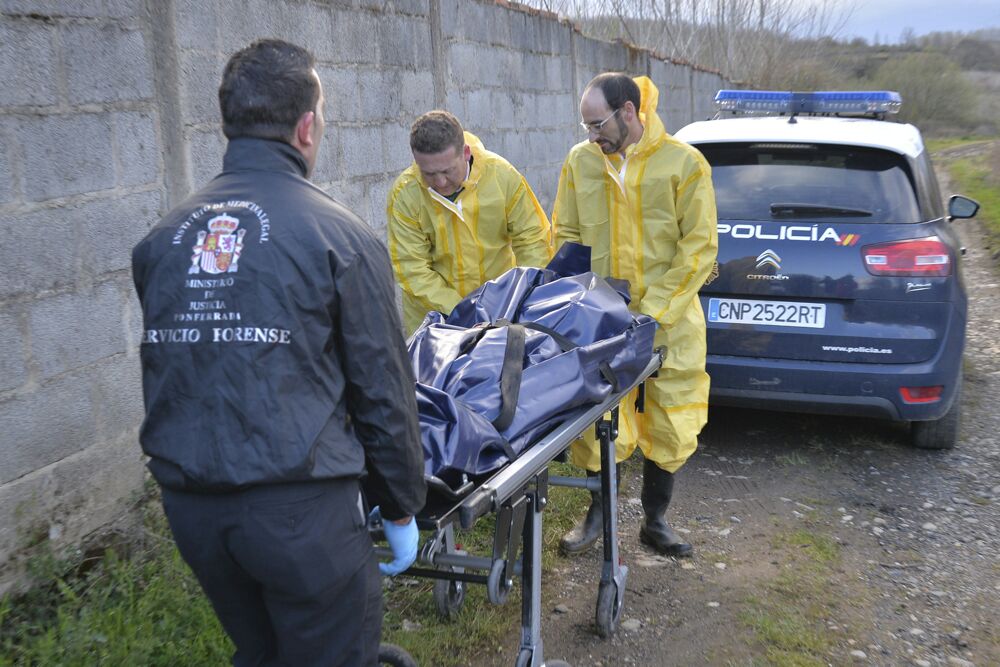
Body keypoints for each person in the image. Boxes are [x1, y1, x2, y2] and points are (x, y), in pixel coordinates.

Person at [131, 39, 426, 666]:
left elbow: (178, 369)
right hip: (299, 517)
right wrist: (400, 504)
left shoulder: (161, 240)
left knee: (261, 653)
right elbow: (382, 390)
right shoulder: (340, 237)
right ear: (306, 126)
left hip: (194, 514)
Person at [552, 73, 718, 558]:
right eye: (585, 126)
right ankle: (596, 519)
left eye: (598, 124)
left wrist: (651, 311)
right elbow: (567, 233)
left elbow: (699, 248)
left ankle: (656, 521)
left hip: (670, 323)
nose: (591, 136)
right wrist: (573, 302)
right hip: (602, 323)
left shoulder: (684, 165)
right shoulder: (582, 163)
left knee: (670, 418)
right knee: (599, 416)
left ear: (629, 112)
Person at [387, 110, 552, 333]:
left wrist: (522, 296)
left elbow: (533, 240)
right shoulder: (405, 195)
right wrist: (465, 311)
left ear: (465, 152)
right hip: (438, 324)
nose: (441, 182)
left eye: (447, 171)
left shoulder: (502, 176)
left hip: (503, 313)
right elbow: (411, 268)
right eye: (428, 173)